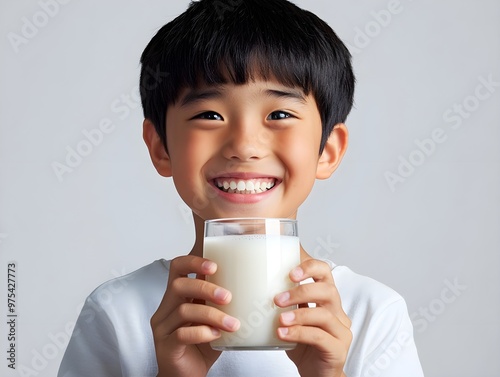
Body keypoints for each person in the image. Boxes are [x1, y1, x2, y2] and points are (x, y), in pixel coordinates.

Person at [58, 0, 424, 376]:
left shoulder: (371, 314)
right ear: (161, 147)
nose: (244, 145)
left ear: (327, 151)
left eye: (279, 114)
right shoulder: (118, 313)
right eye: (208, 115)